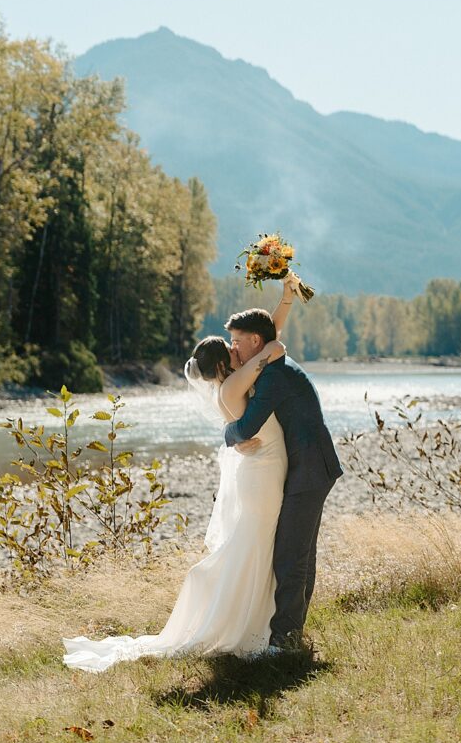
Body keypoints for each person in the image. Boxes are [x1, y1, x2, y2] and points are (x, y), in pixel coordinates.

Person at [62, 275, 300, 673]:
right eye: (232, 347)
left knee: (255, 546)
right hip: (262, 476)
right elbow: (268, 347)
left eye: (237, 343)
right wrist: (271, 344)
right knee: (255, 546)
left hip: (262, 471)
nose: (239, 349)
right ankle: (245, 627)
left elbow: (263, 340)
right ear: (226, 364)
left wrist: (285, 301)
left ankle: (255, 623)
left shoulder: (236, 381)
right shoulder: (233, 387)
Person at [223, 307, 343, 650]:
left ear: (256, 341)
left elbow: (246, 427)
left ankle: (285, 640)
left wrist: (226, 435)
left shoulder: (273, 375)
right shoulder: (272, 366)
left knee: (291, 553)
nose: (234, 349)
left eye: (237, 341)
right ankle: (293, 633)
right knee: (300, 551)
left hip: (309, 468)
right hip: (310, 465)